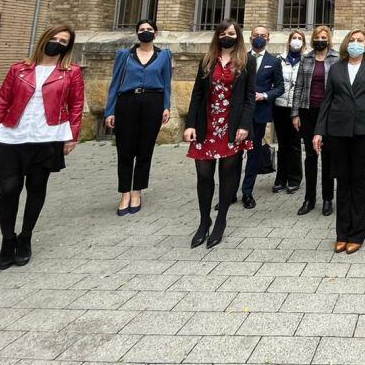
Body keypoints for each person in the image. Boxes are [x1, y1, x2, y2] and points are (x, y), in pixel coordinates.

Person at [0, 24, 83, 270]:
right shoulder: (19, 69)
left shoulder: (71, 72)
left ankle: (25, 237)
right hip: (13, 135)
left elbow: (76, 105)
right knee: (9, 188)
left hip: (47, 135)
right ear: (44, 40)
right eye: (55, 38)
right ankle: (8, 240)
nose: (58, 43)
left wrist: (72, 136)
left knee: (36, 187)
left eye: (63, 41)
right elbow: (2, 102)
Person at [313, 29, 365, 254]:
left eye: (360, 41)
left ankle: (357, 234)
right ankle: (342, 233)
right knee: (342, 181)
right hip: (338, 131)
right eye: (352, 40)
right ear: (347, 44)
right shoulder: (336, 68)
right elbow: (327, 101)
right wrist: (319, 132)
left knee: (358, 180)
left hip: (363, 132)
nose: (355, 44)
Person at [184, 20, 255, 248]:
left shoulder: (246, 61)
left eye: (231, 33)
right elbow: (196, 95)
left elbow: (249, 97)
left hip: (232, 126)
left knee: (228, 173)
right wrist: (190, 124)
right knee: (204, 174)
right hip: (207, 124)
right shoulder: (207, 61)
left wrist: (244, 125)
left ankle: (221, 220)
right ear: (217, 36)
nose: (227, 36)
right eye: (223, 33)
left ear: (238, 36)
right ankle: (204, 221)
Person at [103, 18, 172, 215]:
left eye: (149, 29)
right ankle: (124, 192)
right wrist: (110, 110)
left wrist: (166, 106)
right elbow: (115, 83)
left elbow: (167, 82)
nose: (145, 32)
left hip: (153, 102)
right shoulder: (125, 55)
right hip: (127, 102)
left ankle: (137, 191)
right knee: (125, 150)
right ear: (136, 33)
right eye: (141, 29)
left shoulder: (164, 55)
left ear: (155, 33)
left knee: (145, 150)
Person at [292, 25, 337, 216]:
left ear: (329, 39)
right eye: (318, 36)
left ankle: (327, 199)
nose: (321, 39)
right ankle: (309, 199)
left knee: (327, 156)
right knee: (311, 156)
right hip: (307, 111)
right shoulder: (306, 58)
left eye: (324, 36)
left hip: (328, 113)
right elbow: (299, 87)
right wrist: (295, 113)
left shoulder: (336, 59)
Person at [239, 25, 284, 208]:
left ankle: (247, 192)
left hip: (259, 113)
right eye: (256, 35)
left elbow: (280, 87)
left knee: (253, 152)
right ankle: (229, 192)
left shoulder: (273, 61)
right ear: (250, 38)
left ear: (268, 38)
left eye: (263, 35)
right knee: (234, 154)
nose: (259, 38)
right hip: (239, 113)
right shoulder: (241, 58)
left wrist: (265, 95)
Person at [272, 30, 305, 195]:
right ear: (289, 41)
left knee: (294, 143)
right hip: (279, 106)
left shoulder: (306, 61)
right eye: (294, 38)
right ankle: (281, 177)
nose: (296, 41)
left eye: (299, 39)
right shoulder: (279, 60)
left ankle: (294, 178)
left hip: (296, 108)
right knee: (282, 144)